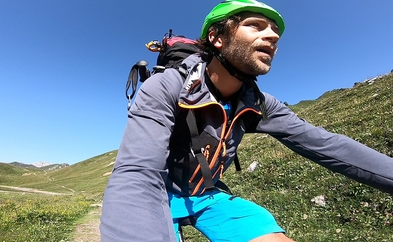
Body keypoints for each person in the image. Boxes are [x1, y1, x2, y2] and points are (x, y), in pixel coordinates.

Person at [100, 0, 393, 241]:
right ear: (216, 37)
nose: (273, 36)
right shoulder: (166, 86)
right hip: (159, 193)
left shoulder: (259, 103)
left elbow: (327, 145)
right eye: (256, 25)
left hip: (206, 194)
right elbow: (137, 171)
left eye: (275, 31)